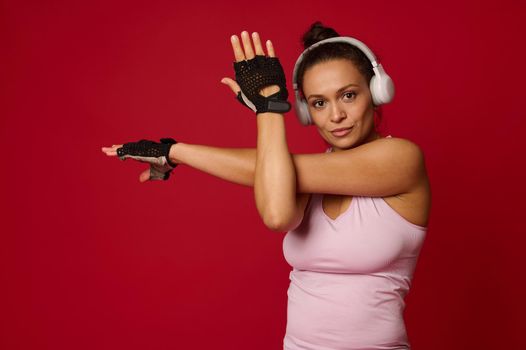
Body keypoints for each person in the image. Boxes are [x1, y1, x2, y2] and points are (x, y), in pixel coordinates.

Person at [102, 21, 431, 350]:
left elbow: (274, 201)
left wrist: (269, 108)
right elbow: (280, 212)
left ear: (377, 91)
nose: (336, 115)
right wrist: (171, 151)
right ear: (305, 110)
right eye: (319, 103)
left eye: (348, 95)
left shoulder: (401, 158)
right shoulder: (302, 178)